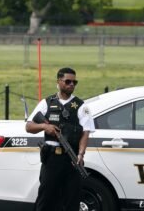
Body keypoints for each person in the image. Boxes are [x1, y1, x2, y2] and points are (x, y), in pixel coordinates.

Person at [25, 67, 95, 211]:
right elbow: (29, 126)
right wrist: (45, 127)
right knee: (46, 198)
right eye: (67, 81)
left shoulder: (81, 106)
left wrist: (81, 154)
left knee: (72, 199)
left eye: (74, 82)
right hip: (51, 158)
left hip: (72, 159)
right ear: (58, 82)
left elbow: (85, 133)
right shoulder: (47, 103)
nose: (71, 85)